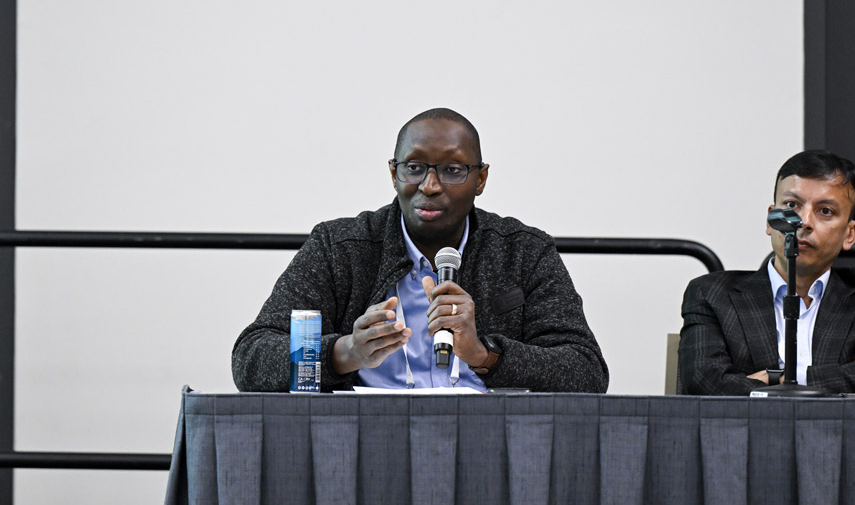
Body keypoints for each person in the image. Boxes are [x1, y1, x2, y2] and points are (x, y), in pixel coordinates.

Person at [232, 108, 609, 393]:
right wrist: (346, 352)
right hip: (368, 436)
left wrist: (484, 355)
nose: (429, 185)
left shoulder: (523, 252)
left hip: (487, 439)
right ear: (393, 174)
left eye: (452, 170)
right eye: (414, 167)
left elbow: (586, 371)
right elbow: (251, 358)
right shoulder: (339, 248)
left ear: (480, 179)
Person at [678, 150, 855, 396]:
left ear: (850, 234)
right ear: (770, 220)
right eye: (791, 205)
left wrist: (778, 378)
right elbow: (703, 383)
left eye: (825, 211)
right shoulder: (712, 294)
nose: (804, 222)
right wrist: (847, 372)